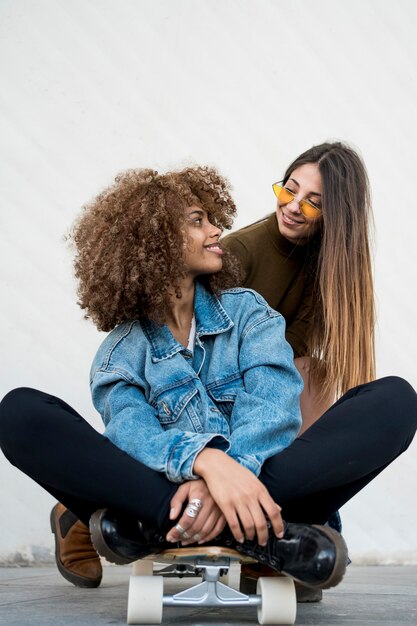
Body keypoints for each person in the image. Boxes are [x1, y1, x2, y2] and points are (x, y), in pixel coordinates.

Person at [0, 167, 415, 603]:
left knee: (394, 401)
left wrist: (230, 473)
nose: (217, 229)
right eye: (198, 220)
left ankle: (155, 530)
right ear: (154, 245)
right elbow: (132, 436)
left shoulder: (249, 312)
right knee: (20, 413)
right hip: (170, 493)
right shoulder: (119, 354)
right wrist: (205, 464)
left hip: (230, 493)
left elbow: (273, 410)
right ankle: (268, 541)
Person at [223, 142, 375, 432]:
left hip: (264, 381)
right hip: (220, 383)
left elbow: (294, 346)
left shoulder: (326, 269)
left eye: (312, 203)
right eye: (289, 190)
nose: (292, 206)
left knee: (315, 375)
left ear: (335, 216)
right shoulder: (238, 251)